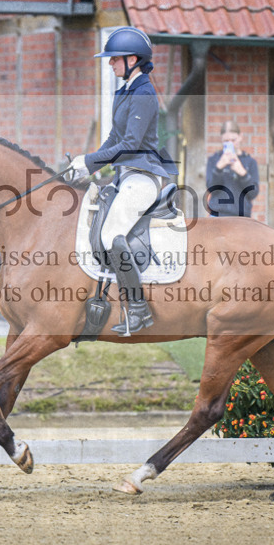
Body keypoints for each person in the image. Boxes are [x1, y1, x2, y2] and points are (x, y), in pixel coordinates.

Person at [70, 26, 177, 334]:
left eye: (115, 58)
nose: (110, 63)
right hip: (123, 177)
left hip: (143, 177)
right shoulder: (124, 92)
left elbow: (130, 144)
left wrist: (91, 161)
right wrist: (87, 164)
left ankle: (139, 309)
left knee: (111, 234)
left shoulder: (144, 93)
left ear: (133, 59)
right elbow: (113, 139)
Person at [205, 121, 259, 217]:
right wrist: (218, 169)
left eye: (233, 140)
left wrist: (243, 173)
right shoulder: (214, 160)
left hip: (242, 217)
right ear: (221, 139)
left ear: (240, 137)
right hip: (218, 215)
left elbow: (253, 193)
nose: (230, 143)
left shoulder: (250, 162)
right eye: (226, 141)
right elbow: (212, 189)